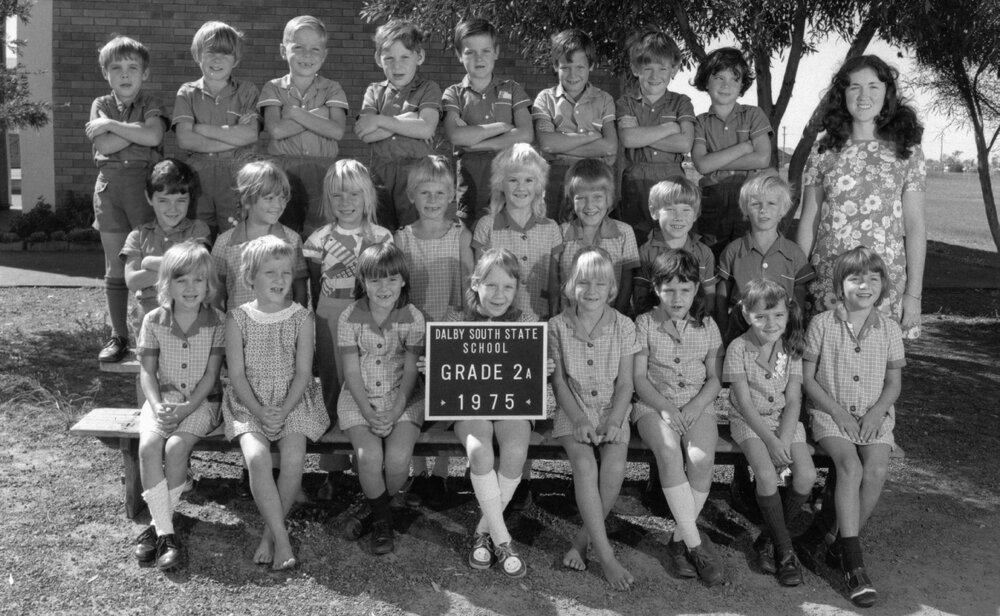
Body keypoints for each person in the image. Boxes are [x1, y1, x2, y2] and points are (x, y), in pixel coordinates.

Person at [801, 246, 905, 608]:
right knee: (850, 466)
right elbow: (809, 380)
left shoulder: (889, 328)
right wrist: (840, 415)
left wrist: (877, 413)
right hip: (832, 415)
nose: (865, 286)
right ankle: (854, 564)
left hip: (875, 415)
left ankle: (835, 542)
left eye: (873, 279)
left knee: (875, 469)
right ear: (840, 284)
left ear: (883, 285)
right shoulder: (822, 324)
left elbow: (894, 382)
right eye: (855, 278)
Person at [797, 54, 926, 339]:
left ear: (887, 94)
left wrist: (913, 295)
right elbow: (809, 220)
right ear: (842, 94)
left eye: (873, 86)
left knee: (877, 372)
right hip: (828, 278)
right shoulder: (823, 152)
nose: (863, 95)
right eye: (854, 87)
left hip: (885, 282)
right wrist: (797, 281)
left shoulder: (907, 152)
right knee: (824, 369)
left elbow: (915, 227)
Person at [220, 235, 329, 571]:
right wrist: (260, 411)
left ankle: (271, 533)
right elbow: (237, 376)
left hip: (294, 399)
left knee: (294, 458)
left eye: (285, 272)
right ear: (250, 277)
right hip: (248, 401)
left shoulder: (301, 317)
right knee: (257, 457)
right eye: (270, 272)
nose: (281, 280)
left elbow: (302, 372)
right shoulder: (237, 318)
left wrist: (282, 409)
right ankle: (282, 539)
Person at [631, 249, 725, 585]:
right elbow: (640, 379)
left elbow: (714, 378)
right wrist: (667, 409)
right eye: (669, 289)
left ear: (697, 289)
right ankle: (697, 546)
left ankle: (677, 540)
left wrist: (695, 407)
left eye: (685, 290)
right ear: (656, 288)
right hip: (653, 405)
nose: (677, 297)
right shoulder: (644, 324)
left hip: (696, 404)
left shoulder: (708, 325)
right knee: (669, 452)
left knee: (700, 459)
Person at [549, 247, 639, 591]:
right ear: (571, 285)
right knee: (585, 467)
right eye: (583, 282)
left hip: (612, 412)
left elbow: (626, 383)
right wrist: (579, 420)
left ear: (611, 289)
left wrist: (615, 421)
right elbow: (558, 382)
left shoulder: (624, 325)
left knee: (614, 465)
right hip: (574, 411)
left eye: (599, 284)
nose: (591, 290)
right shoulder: (557, 326)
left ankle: (583, 540)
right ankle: (607, 555)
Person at [303, 159, 393, 499]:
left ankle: (367, 465)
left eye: (354, 193)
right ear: (328, 198)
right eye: (338, 195)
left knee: (368, 384)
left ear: (367, 195)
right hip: (330, 316)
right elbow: (314, 284)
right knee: (333, 385)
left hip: (369, 316)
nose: (346, 202)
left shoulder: (381, 236)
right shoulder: (319, 239)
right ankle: (334, 468)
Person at [133, 241, 224, 571]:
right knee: (148, 447)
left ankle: (158, 530)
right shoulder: (154, 320)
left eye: (199, 280)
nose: (191, 287)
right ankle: (168, 534)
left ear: (209, 284)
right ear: (166, 284)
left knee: (175, 448)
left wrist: (184, 410)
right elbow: (147, 372)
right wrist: (157, 407)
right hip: (162, 402)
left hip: (201, 405)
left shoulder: (217, 322)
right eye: (181, 280)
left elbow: (212, 376)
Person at [448, 248, 537, 577]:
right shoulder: (457, 320)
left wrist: (542, 366)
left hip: (512, 404)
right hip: (470, 405)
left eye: (508, 287)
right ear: (476, 284)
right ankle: (503, 540)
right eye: (492, 286)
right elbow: (448, 373)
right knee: (479, 451)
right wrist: (434, 365)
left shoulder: (526, 322)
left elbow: (530, 374)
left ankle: (483, 534)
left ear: (517, 290)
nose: (500, 295)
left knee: (515, 450)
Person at [722, 278, 815, 587]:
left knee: (805, 476)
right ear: (747, 314)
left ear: (788, 315)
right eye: (761, 315)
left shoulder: (791, 347)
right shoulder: (738, 348)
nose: (770, 323)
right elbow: (745, 404)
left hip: (784, 422)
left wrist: (784, 440)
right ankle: (786, 552)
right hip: (750, 422)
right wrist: (771, 441)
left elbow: (794, 400)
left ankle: (767, 539)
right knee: (765, 474)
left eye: (777, 315)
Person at [337, 243, 426, 555]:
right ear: (363, 282)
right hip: (359, 398)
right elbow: (350, 371)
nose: (383, 287)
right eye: (375, 280)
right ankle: (382, 523)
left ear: (403, 280)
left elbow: (413, 374)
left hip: (403, 397)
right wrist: (368, 411)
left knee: (398, 460)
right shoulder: (350, 316)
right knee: (369, 458)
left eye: (391, 279)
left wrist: (393, 411)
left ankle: (370, 508)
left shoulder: (413, 318)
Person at [394, 156, 473, 508]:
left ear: (451, 195)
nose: (432, 199)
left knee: (445, 399)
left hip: (449, 325)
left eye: (440, 192)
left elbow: (470, 284)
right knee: (414, 398)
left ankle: (440, 473)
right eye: (424, 192)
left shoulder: (460, 235)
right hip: (413, 329)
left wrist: (462, 322)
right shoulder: (403, 238)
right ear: (412, 195)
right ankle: (416, 469)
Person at [87, 35, 167, 363]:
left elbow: (154, 135)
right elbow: (103, 146)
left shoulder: (151, 103)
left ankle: (159, 331)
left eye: (132, 67)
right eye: (116, 68)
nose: (124, 74)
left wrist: (112, 127)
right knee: (116, 266)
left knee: (149, 261)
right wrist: (131, 132)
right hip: (109, 190)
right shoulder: (100, 105)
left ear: (144, 73)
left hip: (142, 188)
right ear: (106, 73)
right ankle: (119, 336)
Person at [259, 15, 348, 237]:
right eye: (298, 47)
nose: (307, 55)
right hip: (283, 171)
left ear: (324, 54)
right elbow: (276, 130)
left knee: (320, 232)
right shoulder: (272, 88)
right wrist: (320, 117)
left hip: (323, 170)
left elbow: (336, 131)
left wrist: (295, 113)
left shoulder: (332, 88)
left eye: (315, 49)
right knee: (283, 231)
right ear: (283, 51)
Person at [442, 18, 534, 229]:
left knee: (507, 245)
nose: (478, 58)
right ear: (459, 55)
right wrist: (502, 127)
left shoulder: (512, 90)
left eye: (485, 50)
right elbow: (456, 136)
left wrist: (477, 142)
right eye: (469, 52)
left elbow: (526, 134)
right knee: (472, 241)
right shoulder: (453, 93)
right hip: (470, 185)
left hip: (509, 187)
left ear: (496, 52)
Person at [172, 21, 259, 235]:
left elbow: (250, 134)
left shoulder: (247, 91)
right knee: (198, 239)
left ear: (236, 59)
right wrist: (232, 135)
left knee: (236, 239)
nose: (217, 59)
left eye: (226, 53)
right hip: (198, 178)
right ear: (197, 55)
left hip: (237, 176)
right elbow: (185, 139)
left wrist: (200, 129)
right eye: (210, 52)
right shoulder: (187, 93)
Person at [356, 20, 441, 230]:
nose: (397, 65)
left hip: (416, 174)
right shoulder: (374, 91)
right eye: (389, 58)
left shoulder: (428, 88)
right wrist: (410, 118)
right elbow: (365, 133)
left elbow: (426, 128)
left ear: (419, 57)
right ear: (378, 59)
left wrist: (379, 120)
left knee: (413, 231)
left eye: (405, 57)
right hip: (380, 173)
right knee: (381, 232)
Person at [691, 47, 773, 257]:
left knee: (746, 256)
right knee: (711, 256)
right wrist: (744, 147)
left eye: (734, 79)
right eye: (719, 78)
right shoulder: (699, 122)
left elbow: (763, 158)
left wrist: (714, 161)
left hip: (748, 198)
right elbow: (701, 165)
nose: (726, 85)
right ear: (706, 82)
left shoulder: (753, 115)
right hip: (713, 199)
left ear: (742, 85)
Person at [616, 27, 693, 245]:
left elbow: (685, 142)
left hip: (672, 179)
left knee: (671, 240)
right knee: (637, 242)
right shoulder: (626, 103)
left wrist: (642, 132)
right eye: (647, 68)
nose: (655, 75)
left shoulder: (682, 102)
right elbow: (629, 140)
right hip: (636, 181)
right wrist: (670, 128)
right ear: (634, 68)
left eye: (662, 68)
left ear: (674, 69)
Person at [532, 29, 617, 221]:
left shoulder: (604, 99)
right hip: (555, 184)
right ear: (555, 66)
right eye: (566, 67)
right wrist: (592, 137)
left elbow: (611, 147)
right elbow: (547, 144)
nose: (573, 74)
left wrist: (562, 147)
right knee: (555, 236)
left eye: (580, 67)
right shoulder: (545, 99)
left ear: (591, 66)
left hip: (594, 183)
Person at [717, 173, 813, 344]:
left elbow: (800, 302)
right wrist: (723, 333)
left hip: (782, 339)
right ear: (745, 209)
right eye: (755, 204)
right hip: (740, 338)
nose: (763, 210)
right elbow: (722, 296)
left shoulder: (794, 254)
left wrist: (796, 335)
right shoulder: (733, 251)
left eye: (771, 203)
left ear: (783, 209)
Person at [472, 143, 563, 321]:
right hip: (497, 319)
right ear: (500, 184)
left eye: (529, 180)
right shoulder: (486, 225)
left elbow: (554, 283)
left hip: (539, 317)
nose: (521, 187)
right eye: (513, 180)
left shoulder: (551, 228)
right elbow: (478, 280)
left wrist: (552, 319)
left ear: (538, 185)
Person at [122, 159, 210, 331]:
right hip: (148, 326)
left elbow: (198, 267)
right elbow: (132, 281)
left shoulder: (198, 230)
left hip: (190, 325)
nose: (173, 208)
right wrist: (180, 267)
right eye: (163, 200)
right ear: (149, 198)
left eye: (181, 200)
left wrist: (148, 262)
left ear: (190, 198)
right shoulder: (137, 236)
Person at [212, 160, 308, 312]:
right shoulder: (225, 243)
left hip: (281, 330)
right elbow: (216, 293)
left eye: (282, 198)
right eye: (269, 198)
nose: (278, 205)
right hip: (238, 331)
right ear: (247, 198)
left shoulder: (292, 240)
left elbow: (300, 290)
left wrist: (298, 325)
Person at [553, 158, 639, 315]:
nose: (589, 205)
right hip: (569, 320)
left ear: (609, 199)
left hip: (611, 319)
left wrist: (616, 317)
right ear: (571, 200)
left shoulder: (624, 233)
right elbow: (556, 280)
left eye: (597, 197)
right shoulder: (560, 233)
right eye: (581, 198)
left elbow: (627, 283)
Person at [633, 176, 718, 318]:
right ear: (654, 212)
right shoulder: (646, 252)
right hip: (656, 326)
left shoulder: (704, 252)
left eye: (686, 210)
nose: (678, 217)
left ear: (696, 214)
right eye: (670, 209)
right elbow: (640, 300)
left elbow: (709, 297)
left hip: (694, 326)